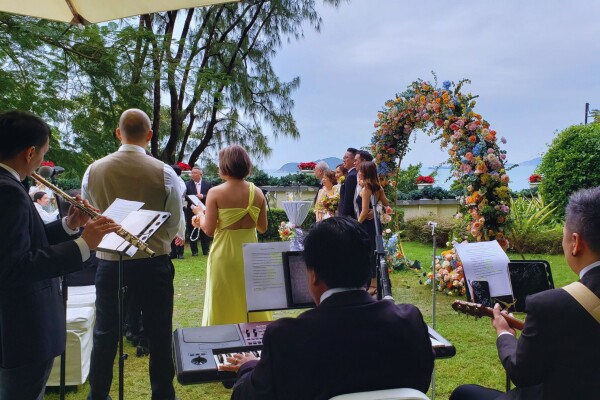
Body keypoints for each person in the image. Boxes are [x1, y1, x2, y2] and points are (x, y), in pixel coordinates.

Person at [220, 217, 434, 400]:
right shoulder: (409, 320)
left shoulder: (286, 337)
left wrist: (249, 366)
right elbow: (420, 382)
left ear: (313, 275)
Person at [0, 110, 119, 400]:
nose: (42, 161)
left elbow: (25, 241)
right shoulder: (9, 191)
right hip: (20, 328)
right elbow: (14, 266)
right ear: (30, 152)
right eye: (43, 154)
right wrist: (84, 245)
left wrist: (70, 224)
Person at [450, 186, 600, 400]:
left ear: (575, 243)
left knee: (463, 394)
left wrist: (504, 334)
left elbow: (523, 374)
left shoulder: (550, 305)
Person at [82, 108, 184, 400]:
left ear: (118, 133)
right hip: (153, 262)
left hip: (110, 262)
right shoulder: (164, 172)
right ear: (150, 135)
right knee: (159, 332)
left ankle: (98, 394)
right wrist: (159, 242)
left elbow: (89, 213)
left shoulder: (94, 170)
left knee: (104, 333)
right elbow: (174, 221)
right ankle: (162, 395)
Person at [191, 145, 270, 326]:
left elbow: (209, 230)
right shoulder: (257, 192)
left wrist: (200, 215)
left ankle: (222, 338)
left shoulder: (216, 192)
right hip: (251, 254)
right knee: (252, 300)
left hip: (225, 254)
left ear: (225, 165)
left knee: (222, 301)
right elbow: (263, 228)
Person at [357, 161, 390, 296]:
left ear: (365, 172)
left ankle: (373, 284)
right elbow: (386, 203)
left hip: (366, 225)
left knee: (370, 253)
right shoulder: (378, 187)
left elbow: (364, 211)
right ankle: (374, 282)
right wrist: (376, 208)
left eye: (360, 170)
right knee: (374, 251)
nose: (358, 172)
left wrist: (356, 225)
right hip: (375, 224)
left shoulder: (367, 189)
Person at [185, 166, 212, 256]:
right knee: (191, 229)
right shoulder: (187, 184)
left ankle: (206, 250)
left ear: (201, 174)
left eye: (195, 173)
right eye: (192, 173)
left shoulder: (207, 184)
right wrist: (191, 197)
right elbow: (184, 196)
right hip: (191, 211)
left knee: (205, 230)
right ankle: (194, 251)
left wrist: (203, 196)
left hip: (204, 211)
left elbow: (211, 196)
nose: (192, 175)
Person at [170, 164, 187, 260]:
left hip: (179, 209)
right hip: (172, 208)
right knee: (173, 229)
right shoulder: (173, 181)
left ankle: (180, 252)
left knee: (180, 229)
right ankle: (173, 252)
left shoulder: (180, 183)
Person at [339, 147, 358, 218]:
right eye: (343, 158)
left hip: (347, 217)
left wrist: (343, 218)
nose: (343, 160)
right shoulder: (349, 174)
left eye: (346, 158)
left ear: (354, 160)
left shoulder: (352, 176)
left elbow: (348, 201)